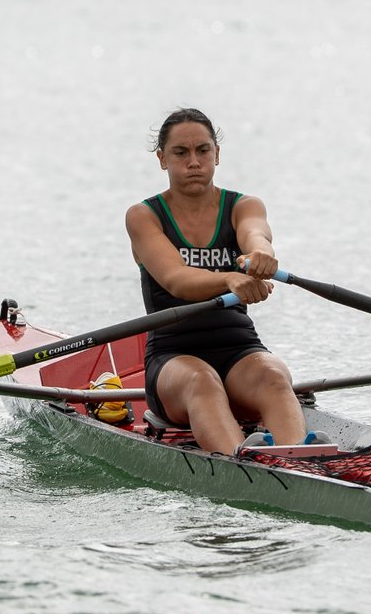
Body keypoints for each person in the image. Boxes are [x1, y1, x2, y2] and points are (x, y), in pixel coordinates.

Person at [125, 108, 324, 456]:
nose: (194, 162)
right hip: (173, 357)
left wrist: (258, 255)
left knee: (276, 376)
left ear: (217, 154)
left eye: (203, 150)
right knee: (202, 382)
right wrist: (231, 277)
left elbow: (256, 234)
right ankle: (244, 463)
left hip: (239, 349)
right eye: (181, 153)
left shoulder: (243, 206)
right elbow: (177, 280)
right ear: (162, 159)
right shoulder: (144, 216)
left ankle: (296, 462)